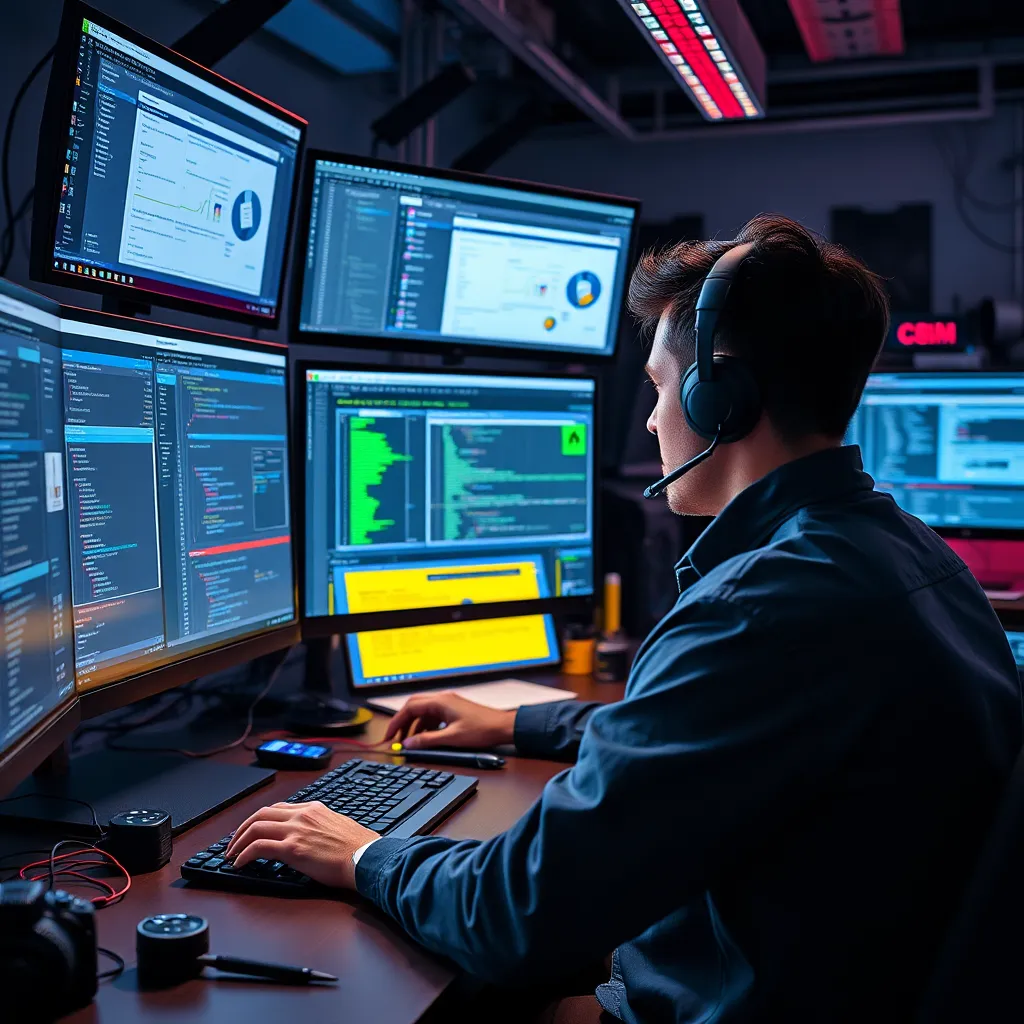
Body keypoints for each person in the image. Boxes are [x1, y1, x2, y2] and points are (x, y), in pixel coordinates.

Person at [226, 214, 1023, 1023]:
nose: (650, 419)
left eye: (659, 385)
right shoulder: (910, 558)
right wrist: (519, 725)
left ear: (722, 400)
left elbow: (516, 916)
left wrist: (364, 854)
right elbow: (733, 729)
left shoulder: (755, 611)